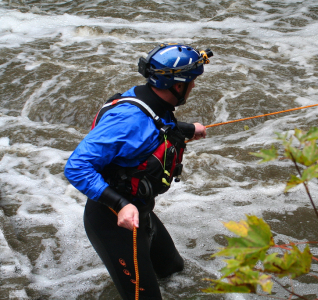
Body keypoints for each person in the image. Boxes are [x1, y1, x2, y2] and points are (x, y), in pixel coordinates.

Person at [64, 43, 213, 300]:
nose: (194, 86)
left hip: (141, 211)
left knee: (173, 270)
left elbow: (155, 127)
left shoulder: (152, 100)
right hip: (114, 219)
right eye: (192, 81)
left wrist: (188, 130)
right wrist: (120, 204)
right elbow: (76, 167)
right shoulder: (128, 119)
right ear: (177, 86)